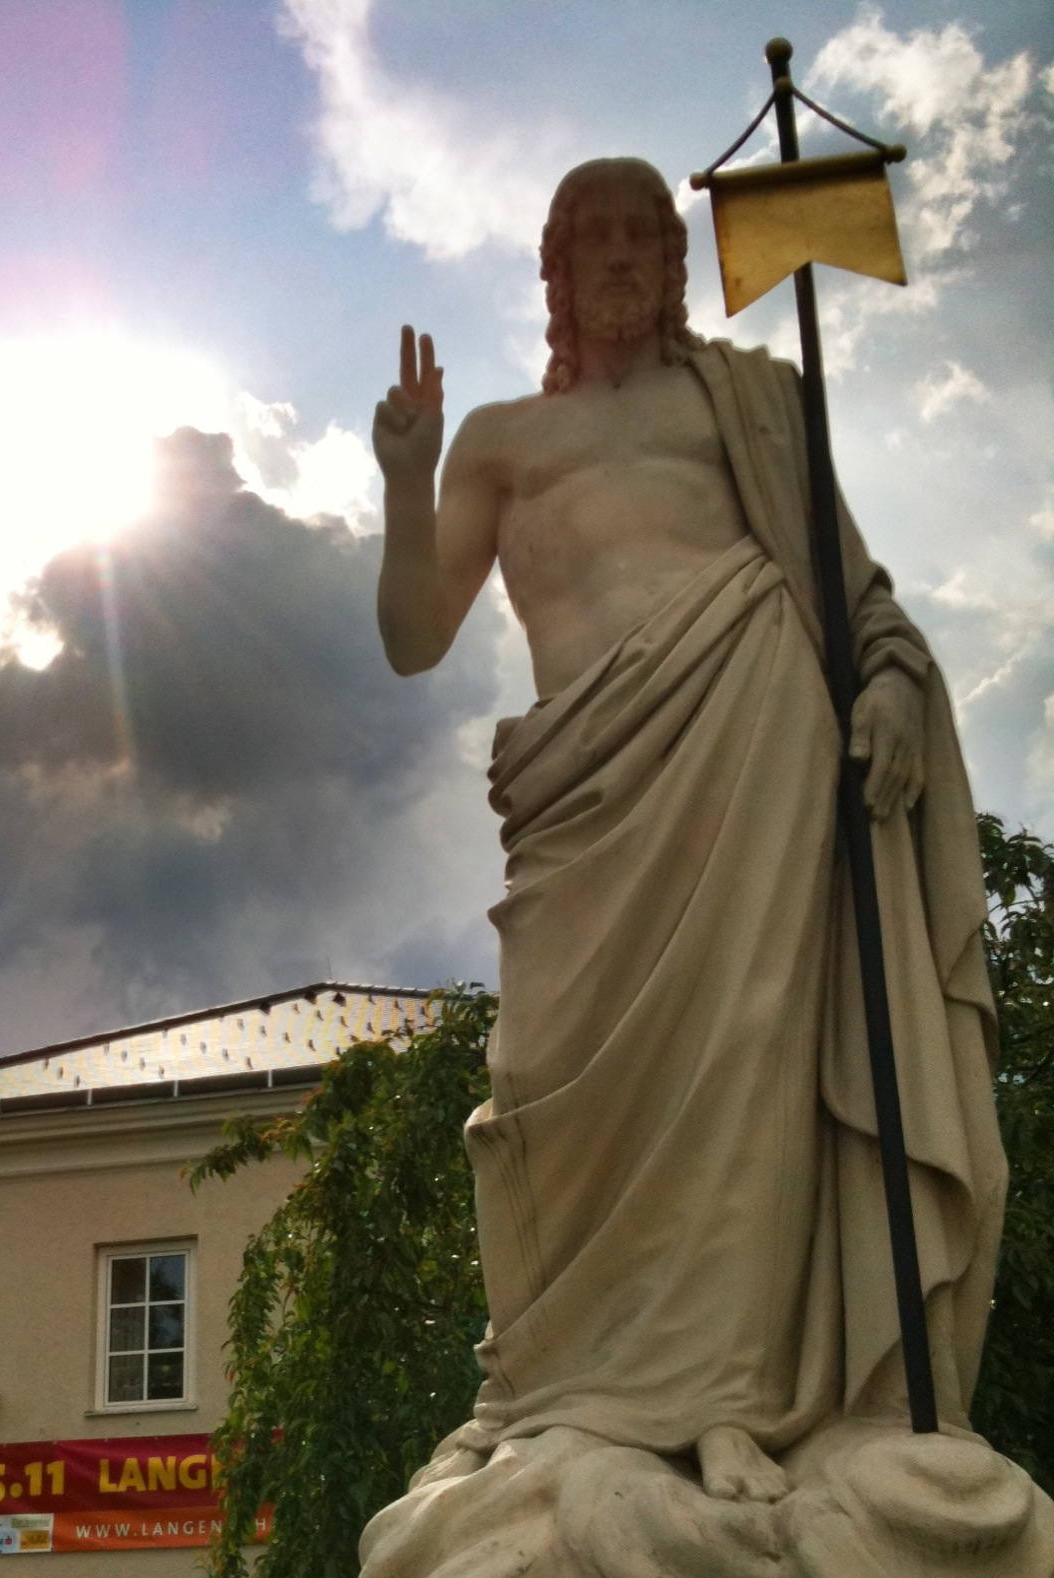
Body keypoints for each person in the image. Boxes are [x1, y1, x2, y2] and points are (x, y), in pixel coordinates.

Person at [372, 156, 1004, 1504]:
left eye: (639, 238)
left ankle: (734, 1400)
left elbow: (851, 585)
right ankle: (549, 1390)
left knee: (750, 1067)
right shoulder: (498, 439)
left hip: (757, 739)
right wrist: (405, 477)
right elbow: (416, 638)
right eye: (589, 240)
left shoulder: (753, 407)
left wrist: (888, 681)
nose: (615, 261)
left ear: (670, 263)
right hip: (587, 801)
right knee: (542, 1077)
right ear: (553, 272)